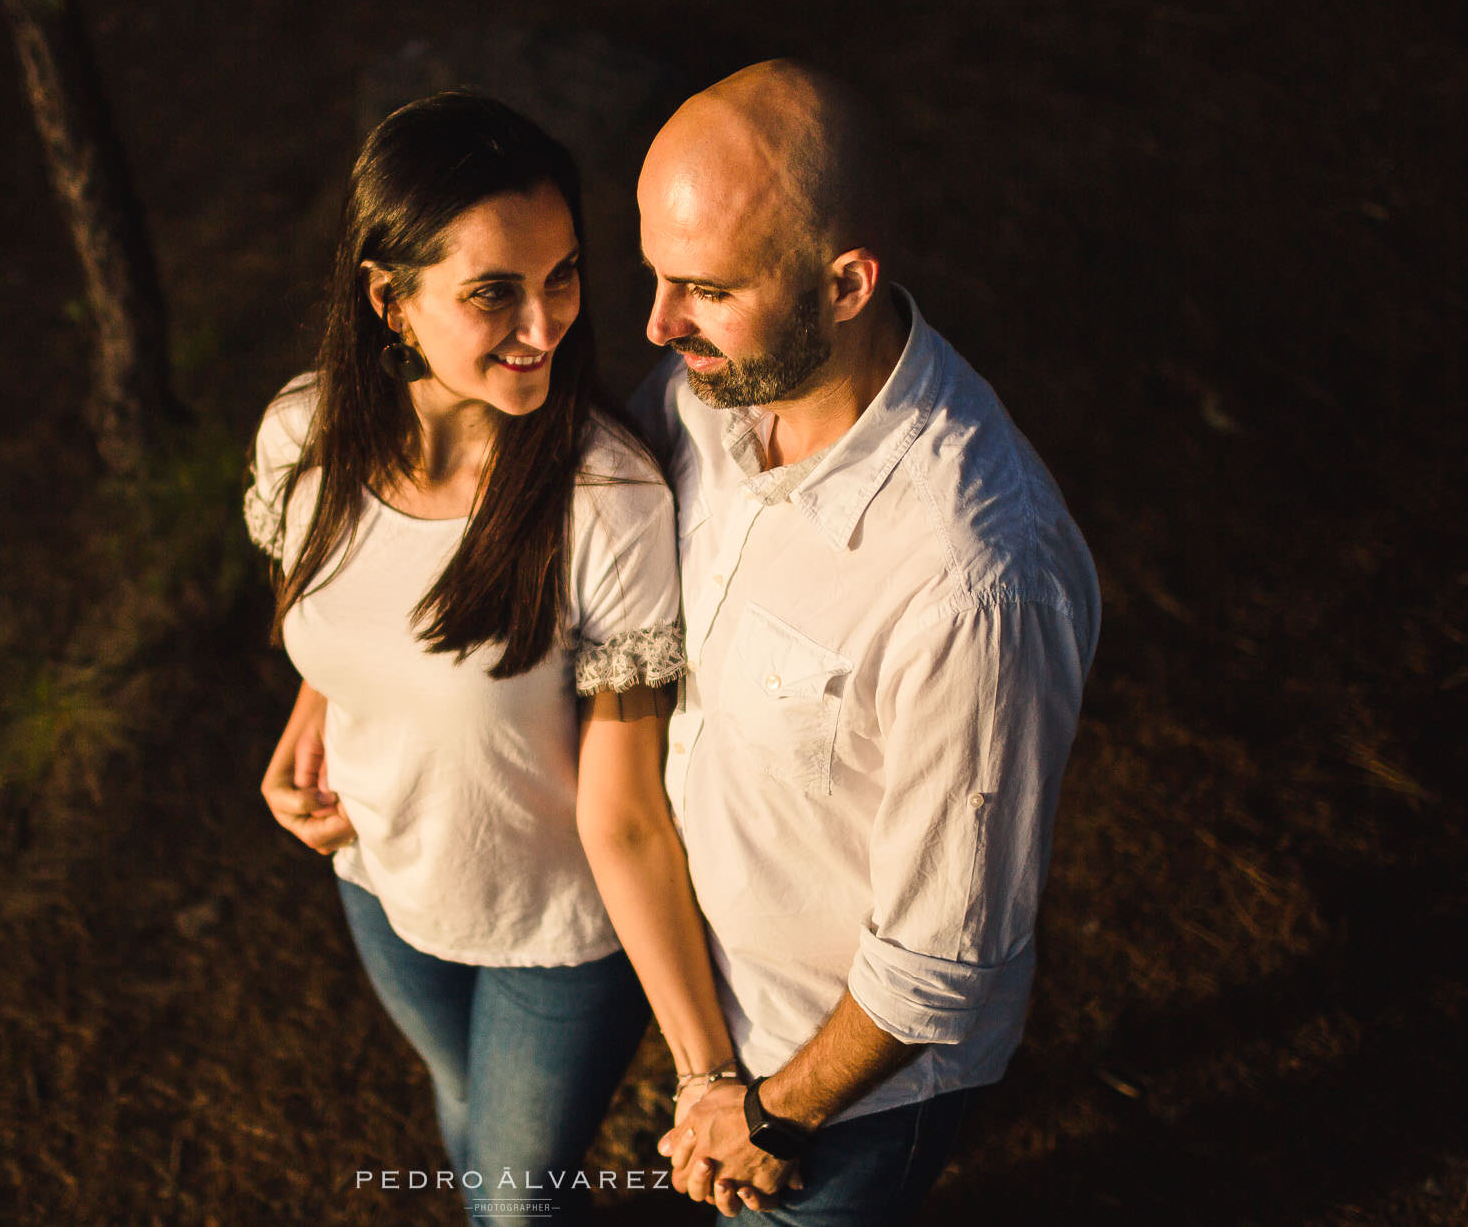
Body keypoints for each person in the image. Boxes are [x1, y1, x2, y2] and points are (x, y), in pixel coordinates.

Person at [244, 92, 735, 1225]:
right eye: (493, 292)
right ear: (389, 300)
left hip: (551, 936)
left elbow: (625, 812)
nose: (544, 323)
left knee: (515, 1206)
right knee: (466, 1126)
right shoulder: (297, 441)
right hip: (379, 880)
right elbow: (333, 616)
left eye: (560, 275)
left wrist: (707, 1072)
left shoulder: (602, 499)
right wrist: (305, 723)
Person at [630, 60, 1101, 1223]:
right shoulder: (710, 389)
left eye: (702, 289)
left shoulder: (973, 579)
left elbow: (941, 960)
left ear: (843, 283)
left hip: (845, 1093)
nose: (656, 323)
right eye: (654, 274)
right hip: (712, 1016)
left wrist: (770, 1115)